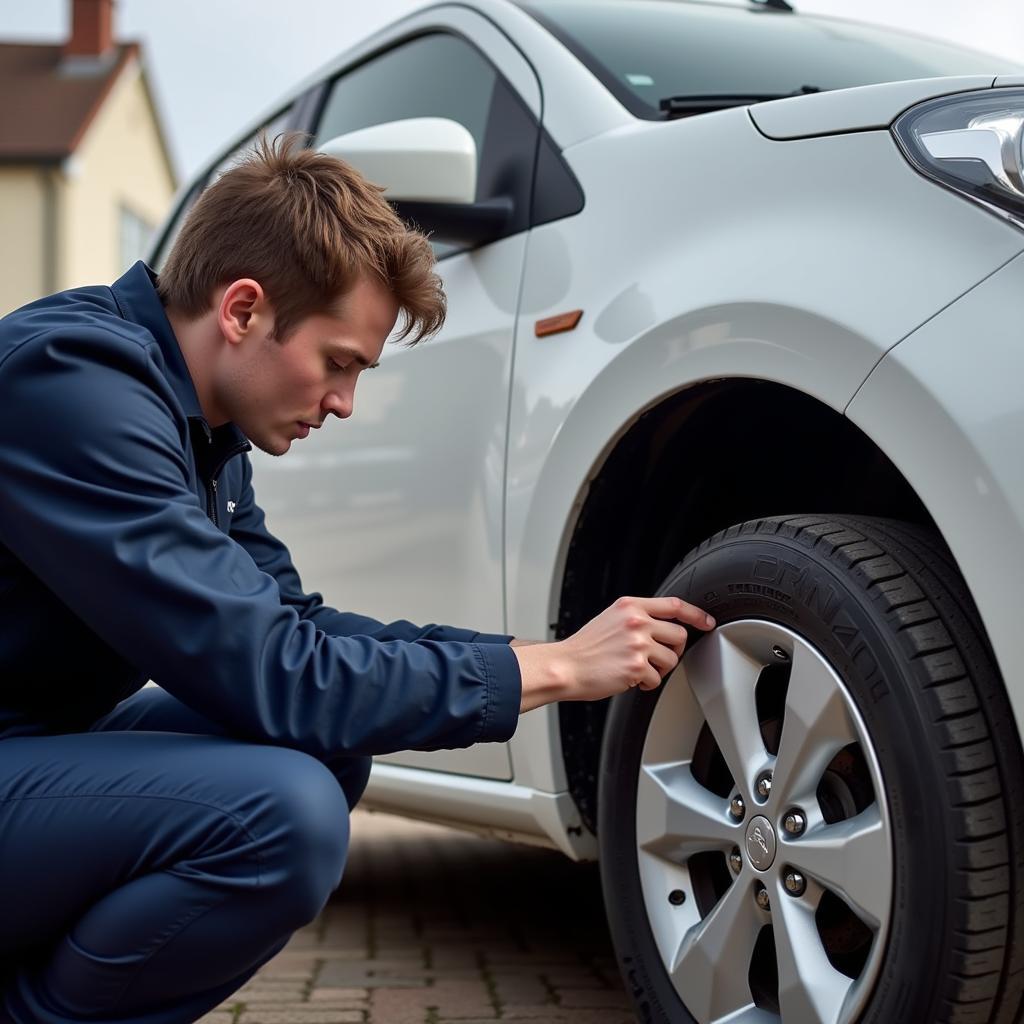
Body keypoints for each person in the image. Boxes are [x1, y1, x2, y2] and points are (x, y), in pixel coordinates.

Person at [0, 134, 714, 1024]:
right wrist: (559, 673)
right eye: (337, 362)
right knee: (283, 816)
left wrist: (537, 652)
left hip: (29, 749)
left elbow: (298, 628)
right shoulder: (73, 386)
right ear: (244, 310)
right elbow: (275, 673)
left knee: (325, 751)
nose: (344, 402)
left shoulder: (203, 433)